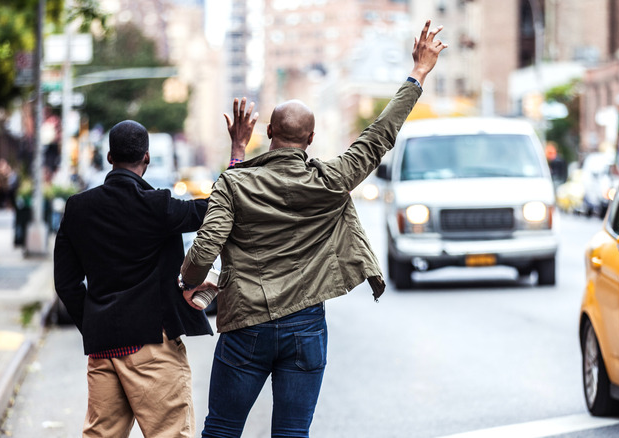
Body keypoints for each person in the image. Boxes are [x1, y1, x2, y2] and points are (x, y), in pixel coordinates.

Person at [179, 20, 447, 438]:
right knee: (291, 434)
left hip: (245, 326)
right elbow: (380, 136)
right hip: (305, 326)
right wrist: (419, 72)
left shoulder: (234, 182)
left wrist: (190, 281)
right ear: (312, 138)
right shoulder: (332, 179)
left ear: (267, 133)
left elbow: (205, 248)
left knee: (222, 430)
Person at [53, 116, 251, 437]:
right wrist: (237, 151)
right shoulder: (157, 206)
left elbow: (65, 283)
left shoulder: (78, 208)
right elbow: (219, 207)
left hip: (103, 350)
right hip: (151, 347)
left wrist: (93, 322)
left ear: (109, 158)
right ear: (146, 157)